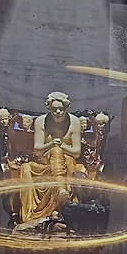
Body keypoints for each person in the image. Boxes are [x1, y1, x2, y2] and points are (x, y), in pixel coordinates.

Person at [19, 92, 85, 223]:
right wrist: (51, 144)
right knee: (53, 152)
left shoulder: (74, 122)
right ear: (49, 108)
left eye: (61, 109)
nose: (58, 112)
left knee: (58, 151)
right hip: (45, 162)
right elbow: (37, 150)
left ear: (67, 108)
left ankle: (59, 197)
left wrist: (61, 146)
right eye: (54, 109)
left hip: (67, 161)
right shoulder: (40, 121)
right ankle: (60, 189)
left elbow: (77, 152)